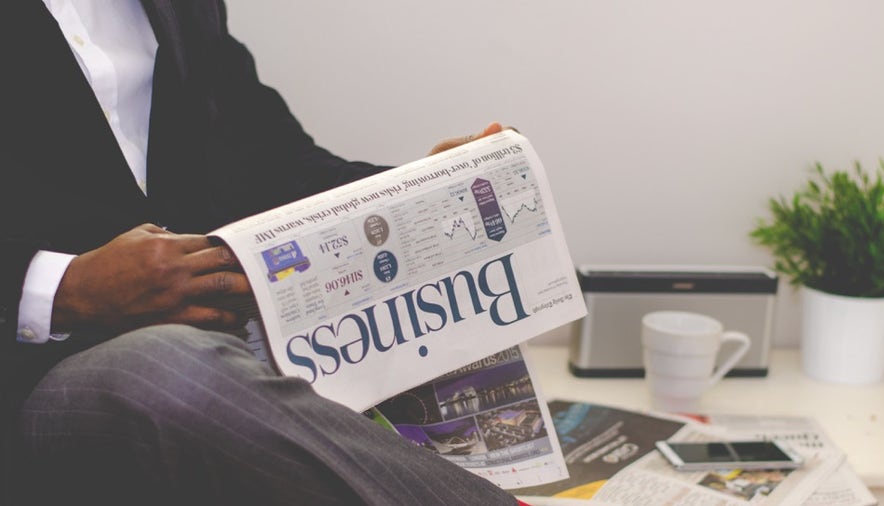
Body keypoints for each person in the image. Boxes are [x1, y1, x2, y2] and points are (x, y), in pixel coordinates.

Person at [0, 1, 520, 504]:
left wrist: (414, 191)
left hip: (219, 348)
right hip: (34, 371)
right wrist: (64, 289)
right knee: (172, 372)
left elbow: (271, 163)